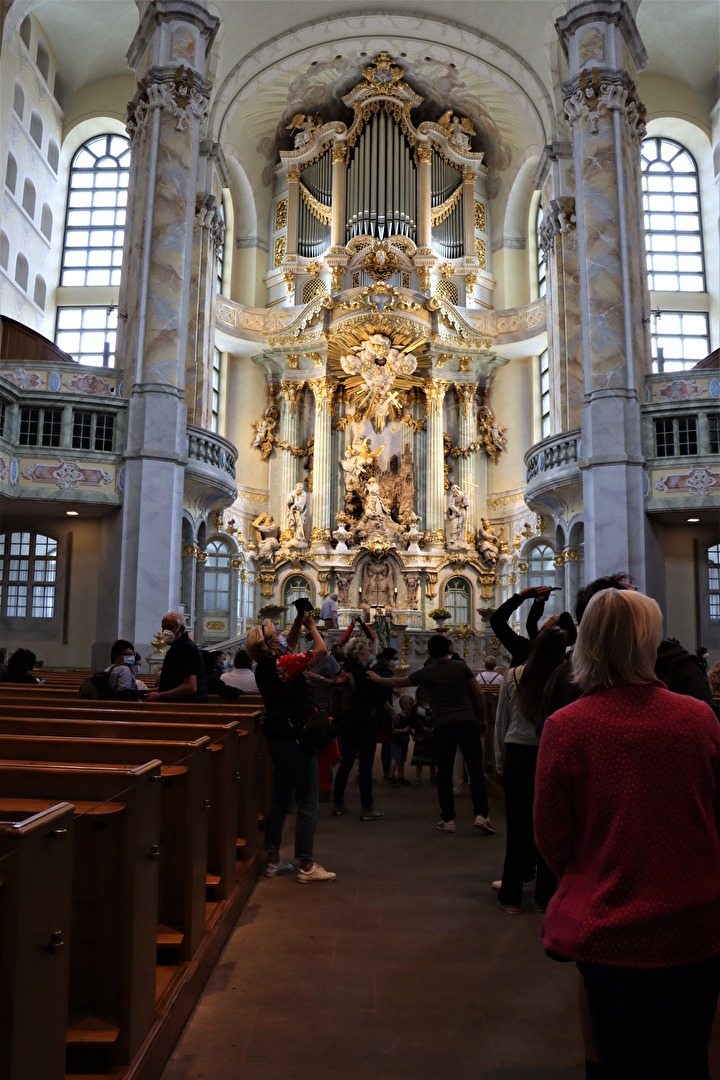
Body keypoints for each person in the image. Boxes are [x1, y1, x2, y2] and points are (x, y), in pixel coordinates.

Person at [534, 588, 720, 1080]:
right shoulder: (698, 718)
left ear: (588, 643)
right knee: (688, 1059)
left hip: (608, 924)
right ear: (651, 643)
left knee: (613, 1062)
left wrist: (591, 870)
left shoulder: (567, 726)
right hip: (696, 923)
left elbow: (552, 835)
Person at [369, 634, 494, 835]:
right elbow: (478, 694)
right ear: (449, 649)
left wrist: (378, 678)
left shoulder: (429, 671)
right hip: (468, 721)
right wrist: (483, 719)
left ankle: (448, 819)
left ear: (430, 652)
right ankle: (482, 815)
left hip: (444, 725)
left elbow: (400, 682)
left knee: (444, 772)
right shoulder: (461, 667)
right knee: (475, 769)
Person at [246, 608, 336, 883]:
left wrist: (298, 621)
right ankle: (307, 865)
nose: (283, 638)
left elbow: (292, 644)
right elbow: (321, 651)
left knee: (280, 800)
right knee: (307, 801)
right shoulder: (283, 665)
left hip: (278, 737)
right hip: (296, 738)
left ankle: (274, 860)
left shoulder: (267, 664)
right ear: (271, 643)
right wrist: (310, 624)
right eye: (278, 636)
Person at [492, 626, 568, 915]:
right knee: (548, 825)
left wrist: (499, 763)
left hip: (518, 754)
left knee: (517, 827)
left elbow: (502, 722)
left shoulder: (513, 675)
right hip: (550, 753)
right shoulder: (566, 678)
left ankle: (511, 895)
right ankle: (545, 895)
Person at [332, 619, 387, 820]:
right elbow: (380, 698)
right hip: (365, 723)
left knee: (345, 762)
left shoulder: (342, 670)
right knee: (365, 765)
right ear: (365, 653)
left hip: (345, 723)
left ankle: (338, 804)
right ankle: (367, 808)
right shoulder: (366, 675)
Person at [146, 611, 208, 702]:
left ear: (181, 629)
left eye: (170, 627)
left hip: (186, 707)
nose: (165, 631)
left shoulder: (187, 648)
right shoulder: (178, 647)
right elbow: (175, 684)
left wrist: (160, 696)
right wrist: (154, 691)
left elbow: (190, 687)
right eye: (163, 627)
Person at [489, 585, 557, 665]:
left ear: (552, 629)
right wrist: (539, 602)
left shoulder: (528, 649)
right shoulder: (557, 657)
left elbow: (497, 620)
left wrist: (522, 595)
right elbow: (531, 625)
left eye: (551, 619)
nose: (547, 619)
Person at [409, 685, 436, 784]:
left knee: (433, 758)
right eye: (425, 693)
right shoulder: (415, 708)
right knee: (419, 758)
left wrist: (434, 728)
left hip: (432, 735)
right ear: (420, 694)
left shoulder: (433, 705)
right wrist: (421, 728)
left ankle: (433, 776)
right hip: (421, 735)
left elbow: (437, 718)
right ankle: (418, 778)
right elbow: (412, 721)